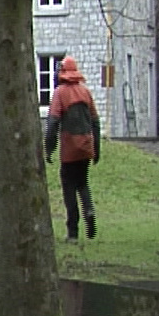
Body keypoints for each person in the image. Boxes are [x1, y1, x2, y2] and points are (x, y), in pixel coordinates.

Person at [44, 56, 101, 241]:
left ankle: (73, 231)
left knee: (68, 187)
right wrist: (96, 148)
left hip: (69, 147)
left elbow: (53, 122)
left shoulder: (60, 93)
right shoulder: (86, 92)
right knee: (83, 182)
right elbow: (95, 121)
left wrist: (49, 147)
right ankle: (89, 211)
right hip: (86, 145)